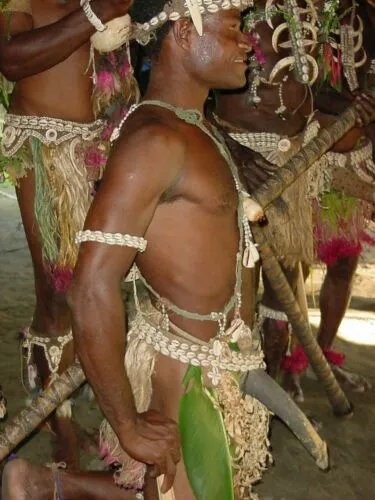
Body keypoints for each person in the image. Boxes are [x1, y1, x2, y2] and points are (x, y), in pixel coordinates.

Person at [2, 1, 275, 498]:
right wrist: (127, 425)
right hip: (189, 375)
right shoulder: (155, 142)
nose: (246, 43)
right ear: (186, 36)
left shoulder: (191, 128)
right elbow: (90, 289)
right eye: (233, 28)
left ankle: (42, 486)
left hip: (219, 363)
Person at [0, 0, 134, 468]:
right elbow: (12, 58)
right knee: (57, 294)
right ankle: (56, 417)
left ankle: (75, 397)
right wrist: (94, 15)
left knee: (92, 288)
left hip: (100, 148)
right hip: (43, 152)